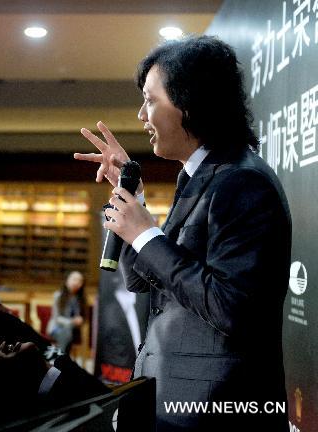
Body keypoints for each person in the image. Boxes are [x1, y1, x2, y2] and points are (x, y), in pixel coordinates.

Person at [75, 35, 291, 431]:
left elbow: (233, 307)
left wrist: (146, 235)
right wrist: (133, 199)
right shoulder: (196, 176)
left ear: (191, 103)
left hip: (217, 413)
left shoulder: (242, 181)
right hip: (171, 406)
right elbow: (141, 280)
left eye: (151, 100)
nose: (141, 115)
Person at [46, 270, 86, 354]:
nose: (76, 283)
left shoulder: (81, 299)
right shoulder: (58, 296)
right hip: (57, 328)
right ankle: (62, 359)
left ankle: (60, 359)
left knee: (68, 332)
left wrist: (80, 320)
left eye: (80, 281)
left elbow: (84, 318)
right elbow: (56, 318)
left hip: (74, 331)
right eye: (74, 279)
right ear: (67, 280)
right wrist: (72, 321)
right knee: (66, 332)